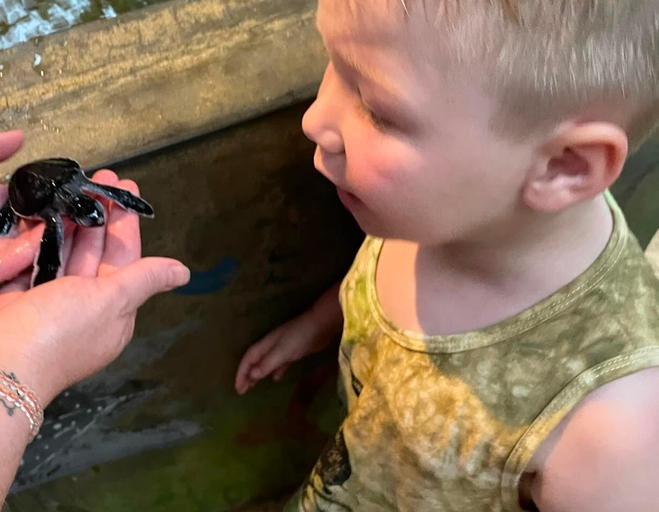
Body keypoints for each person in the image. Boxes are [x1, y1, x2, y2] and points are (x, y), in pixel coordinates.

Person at [235, 0, 659, 511]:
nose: (314, 120)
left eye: (375, 107)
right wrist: (320, 322)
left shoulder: (609, 428)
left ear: (564, 166)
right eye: (333, 64)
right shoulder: (454, 209)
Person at [0, 131, 190, 512]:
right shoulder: (54, 214)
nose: (96, 218)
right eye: (92, 214)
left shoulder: (84, 186)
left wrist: (124, 202)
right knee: (51, 241)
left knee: (88, 209)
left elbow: (105, 195)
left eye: (95, 212)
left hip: (64, 176)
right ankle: (6, 212)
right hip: (25, 194)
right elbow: (51, 250)